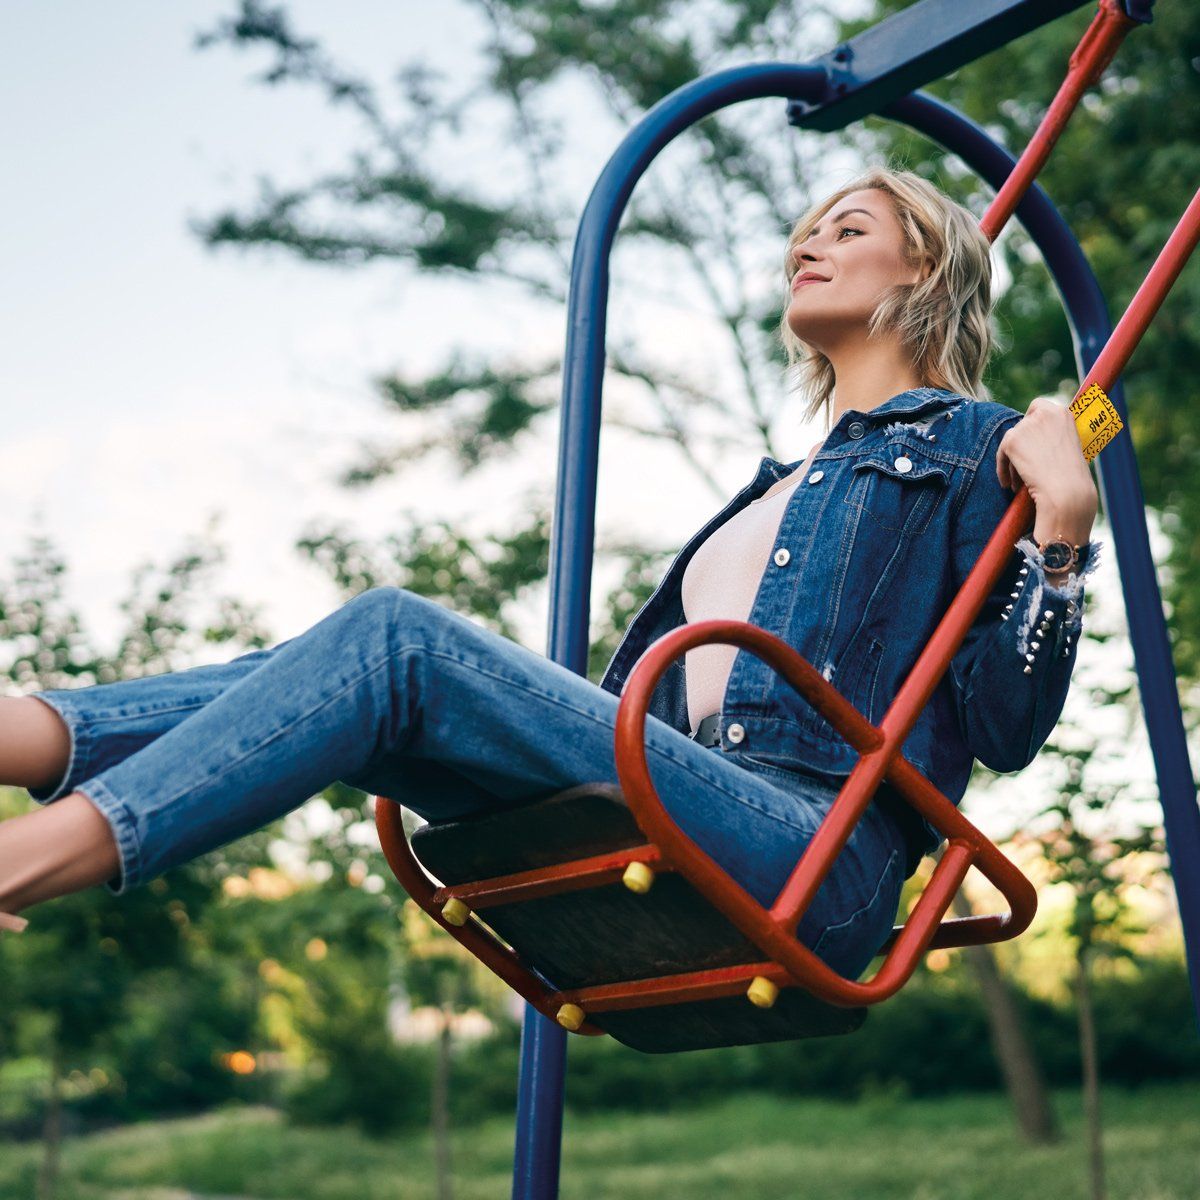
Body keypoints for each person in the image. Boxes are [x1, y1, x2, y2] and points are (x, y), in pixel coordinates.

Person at [0, 166, 1101, 983]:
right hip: (689, 806)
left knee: (396, 644)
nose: (805, 245)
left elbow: (1004, 727)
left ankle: (26, 855)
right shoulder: (775, 486)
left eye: (847, 228)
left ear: (928, 265)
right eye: (803, 232)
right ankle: (26, 731)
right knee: (365, 684)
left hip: (814, 850)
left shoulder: (977, 445)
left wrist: (1062, 529)